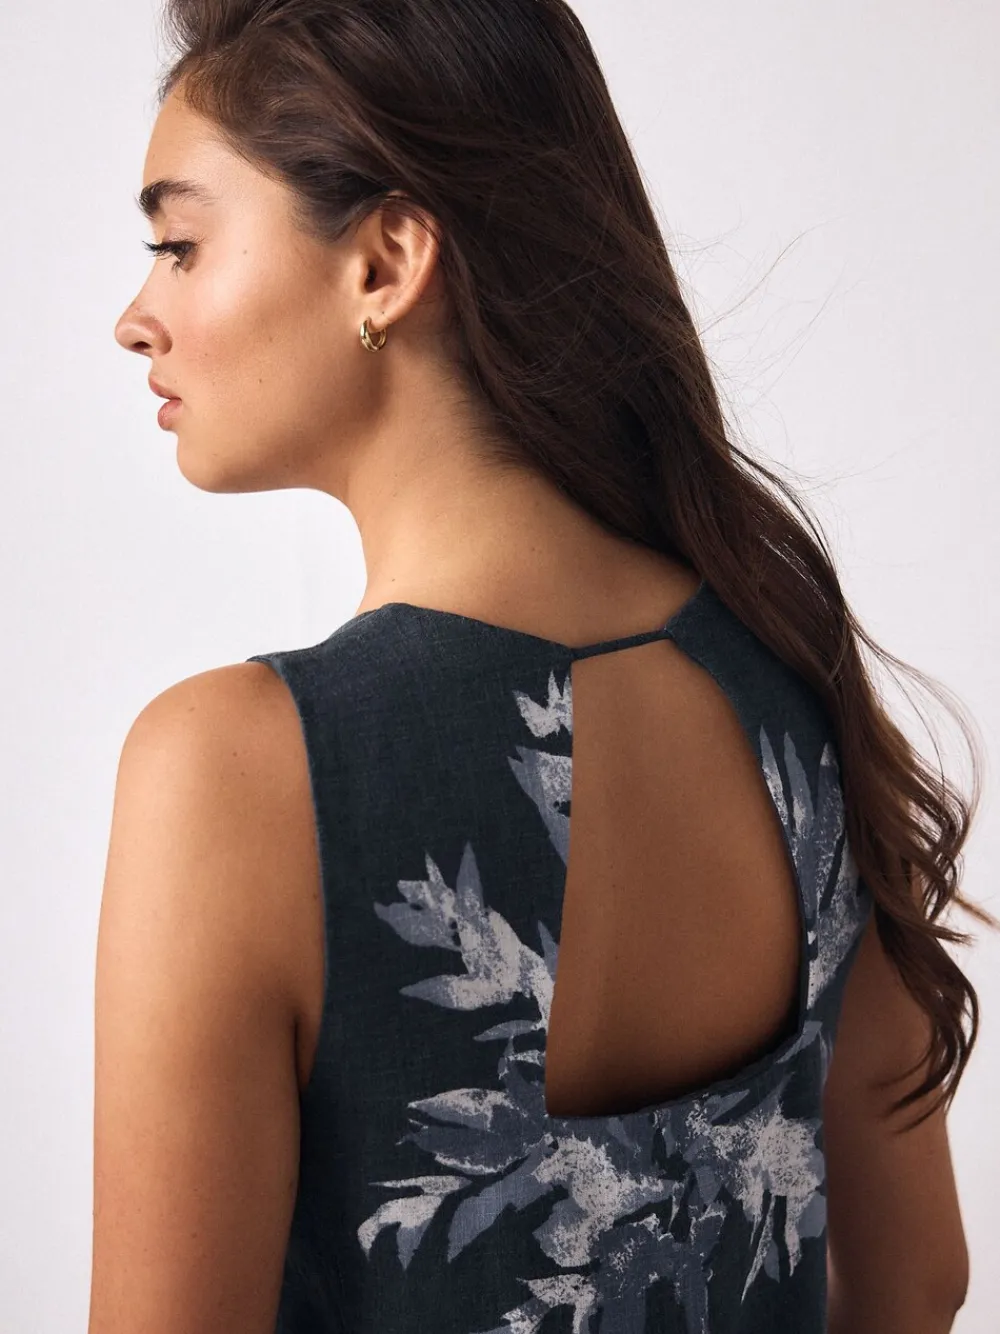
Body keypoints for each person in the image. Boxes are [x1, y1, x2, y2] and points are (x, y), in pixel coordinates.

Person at [97, 3, 990, 1332]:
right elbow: (915, 1280)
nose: (136, 318)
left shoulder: (238, 768)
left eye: (179, 246)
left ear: (386, 262)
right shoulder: (788, 678)